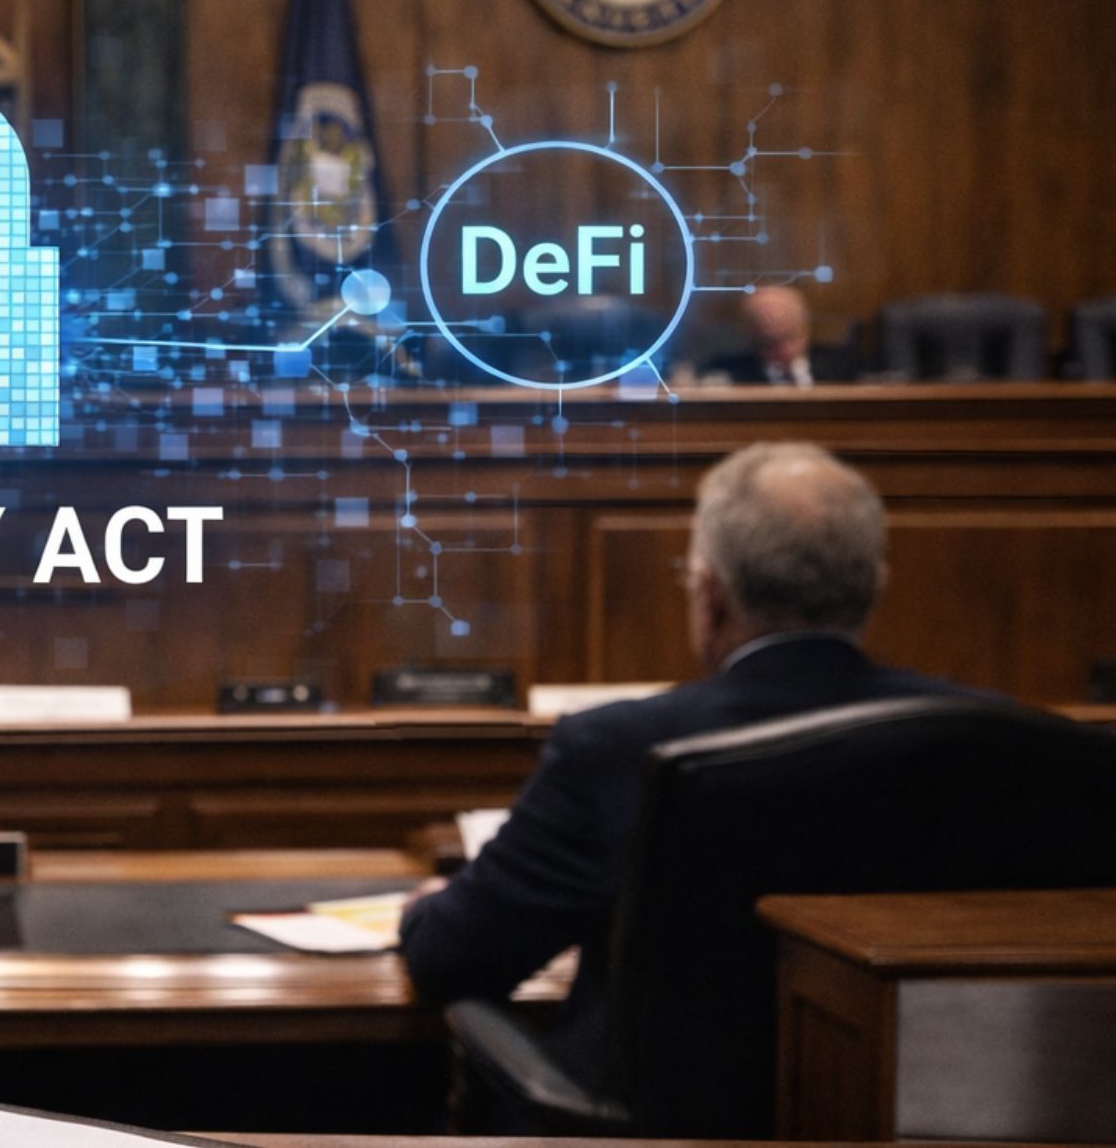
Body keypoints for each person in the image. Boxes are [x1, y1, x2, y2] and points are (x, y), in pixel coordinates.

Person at [397, 442, 998, 1114]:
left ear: (710, 594)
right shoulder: (993, 740)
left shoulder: (616, 747)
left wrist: (423, 909)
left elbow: (450, 958)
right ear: (876, 588)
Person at [695, 284, 855, 387]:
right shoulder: (730, 373)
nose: (782, 350)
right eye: (769, 343)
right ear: (752, 337)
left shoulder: (842, 367)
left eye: (790, 338)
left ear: (805, 330)